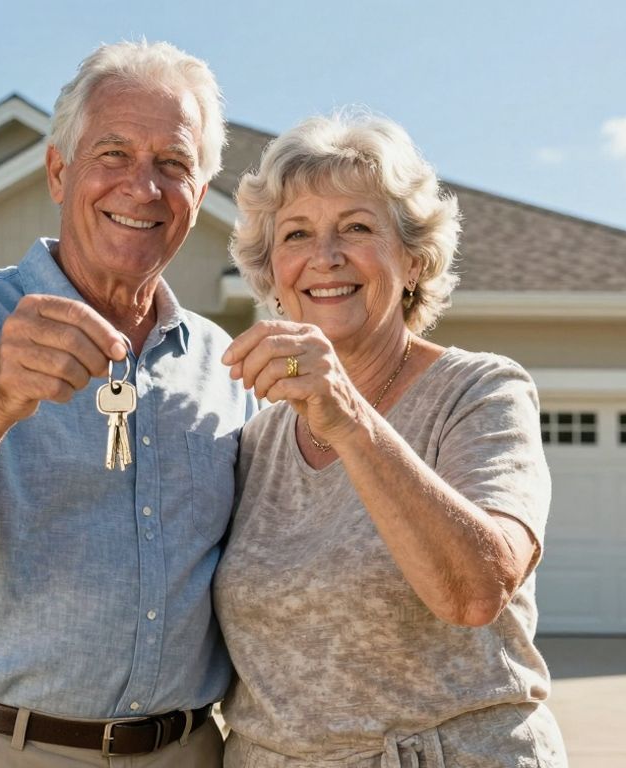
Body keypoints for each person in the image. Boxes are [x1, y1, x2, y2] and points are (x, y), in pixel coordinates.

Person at [0, 41, 255, 767]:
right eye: (114, 154)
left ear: (200, 192)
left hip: (187, 751)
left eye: (174, 164)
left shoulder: (225, 366)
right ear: (59, 172)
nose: (142, 187)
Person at [213, 112, 567, 767]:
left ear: (413, 258)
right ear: (272, 274)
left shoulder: (479, 392)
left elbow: (475, 591)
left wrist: (349, 419)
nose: (326, 256)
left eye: (356, 227)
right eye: (297, 234)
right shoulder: (254, 438)